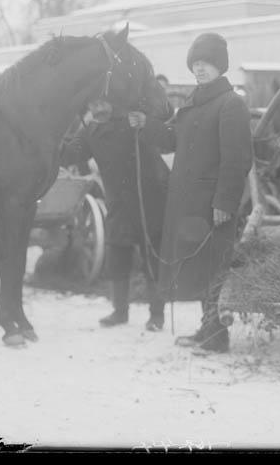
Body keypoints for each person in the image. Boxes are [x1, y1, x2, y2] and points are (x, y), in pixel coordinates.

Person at [133, 33, 252, 353]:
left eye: (207, 64)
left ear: (220, 66)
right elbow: (171, 140)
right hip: (188, 204)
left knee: (213, 266)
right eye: (196, 64)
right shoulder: (194, 102)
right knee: (200, 267)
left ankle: (217, 336)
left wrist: (225, 203)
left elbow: (237, 160)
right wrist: (145, 124)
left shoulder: (231, 104)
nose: (200, 70)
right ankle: (208, 328)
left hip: (212, 204)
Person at [60, 95, 172, 332]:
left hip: (149, 199)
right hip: (118, 203)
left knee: (152, 257)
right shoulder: (90, 131)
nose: (97, 108)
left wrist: (145, 123)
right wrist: (52, 139)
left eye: (102, 102)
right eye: (92, 103)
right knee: (117, 254)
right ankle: (119, 311)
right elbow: (70, 154)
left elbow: (164, 132)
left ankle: (157, 315)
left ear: (114, 102)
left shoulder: (132, 121)